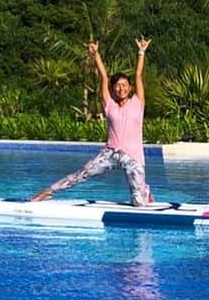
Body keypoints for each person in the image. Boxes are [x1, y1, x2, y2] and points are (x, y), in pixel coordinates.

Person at [32, 38, 153, 206]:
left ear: (130, 88)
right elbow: (104, 76)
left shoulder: (137, 102)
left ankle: (144, 190)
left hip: (133, 157)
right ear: (113, 89)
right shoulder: (109, 105)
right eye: (117, 86)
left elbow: (138, 75)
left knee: (139, 204)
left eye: (125, 85)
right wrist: (95, 55)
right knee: (82, 174)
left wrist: (141, 52)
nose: (121, 88)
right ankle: (48, 191)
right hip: (110, 153)